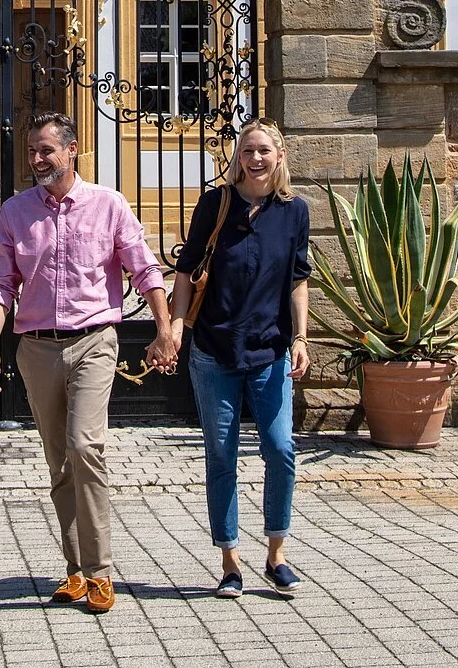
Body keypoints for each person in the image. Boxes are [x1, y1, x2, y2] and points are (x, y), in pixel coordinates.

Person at [0, 112, 177, 616]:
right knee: (59, 462)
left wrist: (163, 327)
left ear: (72, 151)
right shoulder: (15, 212)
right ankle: (75, 571)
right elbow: (2, 284)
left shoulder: (108, 205)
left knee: (85, 446)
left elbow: (142, 266)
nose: (38, 159)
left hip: (94, 341)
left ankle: (102, 572)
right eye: (32, 151)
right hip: (37, 348)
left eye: (47, 150)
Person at [160, 119, 312, 599]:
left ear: (281, 155)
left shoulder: (295, 211)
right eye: (248, 150)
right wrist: (176, 329)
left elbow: (298, 277)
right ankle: (230, 561)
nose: (257, 159)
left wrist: (302, 337)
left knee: (280, 450)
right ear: (238, 157)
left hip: (270, 351)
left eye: (265, 150)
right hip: (214, 350)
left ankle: (276, 554)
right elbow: (186, 271)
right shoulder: (216, 203)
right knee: (221, 455)